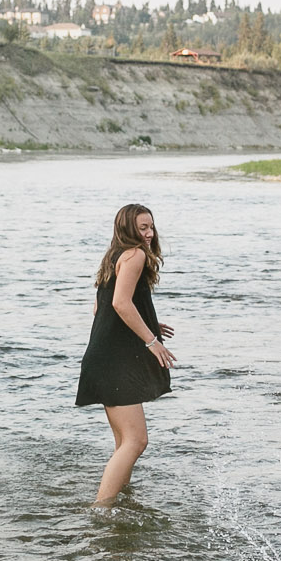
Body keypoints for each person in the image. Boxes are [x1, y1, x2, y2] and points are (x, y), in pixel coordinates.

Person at [75, 203, 176, 505]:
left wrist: (147, 319)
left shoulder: (114, 256)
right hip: (116, 362)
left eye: (151, 226)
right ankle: (101, 510)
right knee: (136, 441)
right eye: (142, 228)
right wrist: (151, 340)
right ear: (127, 230)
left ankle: (118, 501)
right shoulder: (136, 255)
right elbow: (120, 304)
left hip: (104, 358)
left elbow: (101, 307)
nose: (149, 233)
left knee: (124, 442)